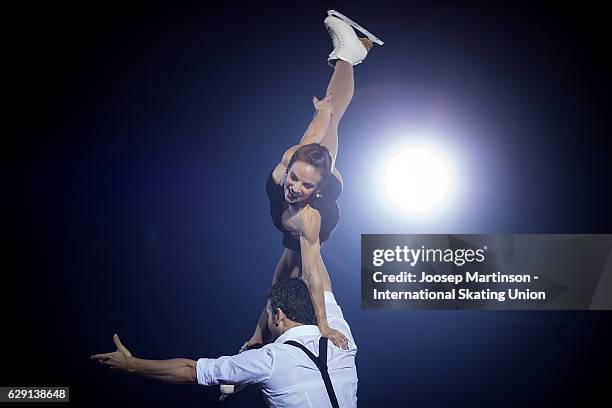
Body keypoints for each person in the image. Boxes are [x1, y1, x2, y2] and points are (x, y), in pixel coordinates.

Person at [243, 10, 383, 358]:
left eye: (304, 186)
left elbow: (312, 276)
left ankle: (255, 341)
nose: (293, 188)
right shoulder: (289, 165)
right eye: (294, 179)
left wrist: (323, 325)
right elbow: (313, 135)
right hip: (313, 160)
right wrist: (323, 110)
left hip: (324, 202)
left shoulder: (311, 217)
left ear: (315, 191)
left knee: (283, 279)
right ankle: (351, 53)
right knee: (331, 115)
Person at [91, 278, 358, 407]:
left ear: (278, 316)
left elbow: (190, 370)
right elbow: (319, 276)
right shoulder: (340, 336)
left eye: (267, 315)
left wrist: (132, 365)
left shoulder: (269, 359)